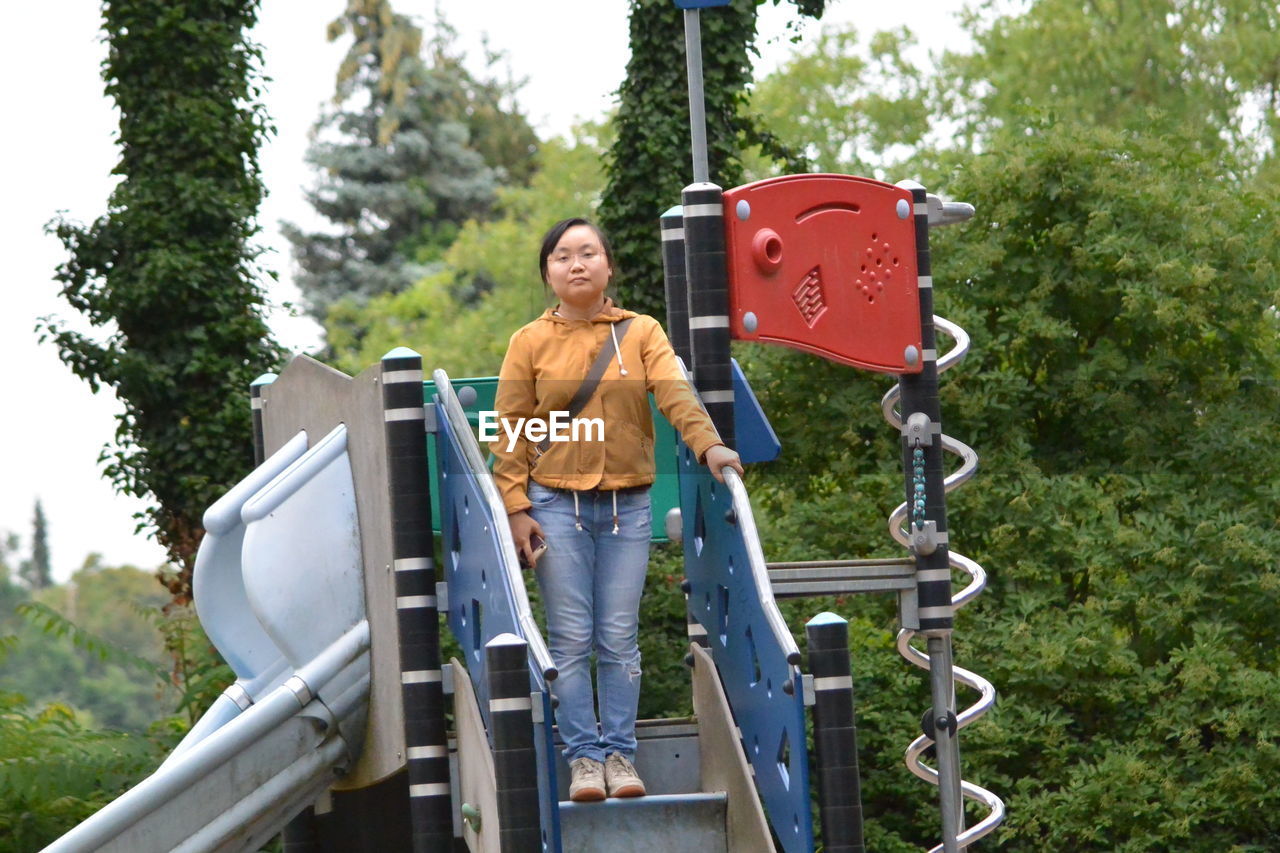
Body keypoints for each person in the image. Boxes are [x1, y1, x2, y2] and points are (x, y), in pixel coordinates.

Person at [490, 217, 742, 803]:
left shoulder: (641, 332)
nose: (576, 264)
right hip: (555, 505)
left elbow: (676, 393)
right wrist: (515, 505)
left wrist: (709, 445)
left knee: (619, 638)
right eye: (561, 256)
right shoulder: (529, 341)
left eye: (587, 253)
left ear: (608, 266)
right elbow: (509, 429)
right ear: (548, 273)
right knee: (573, 638)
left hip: (628, 505)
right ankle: (584, 760)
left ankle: (620, 756)